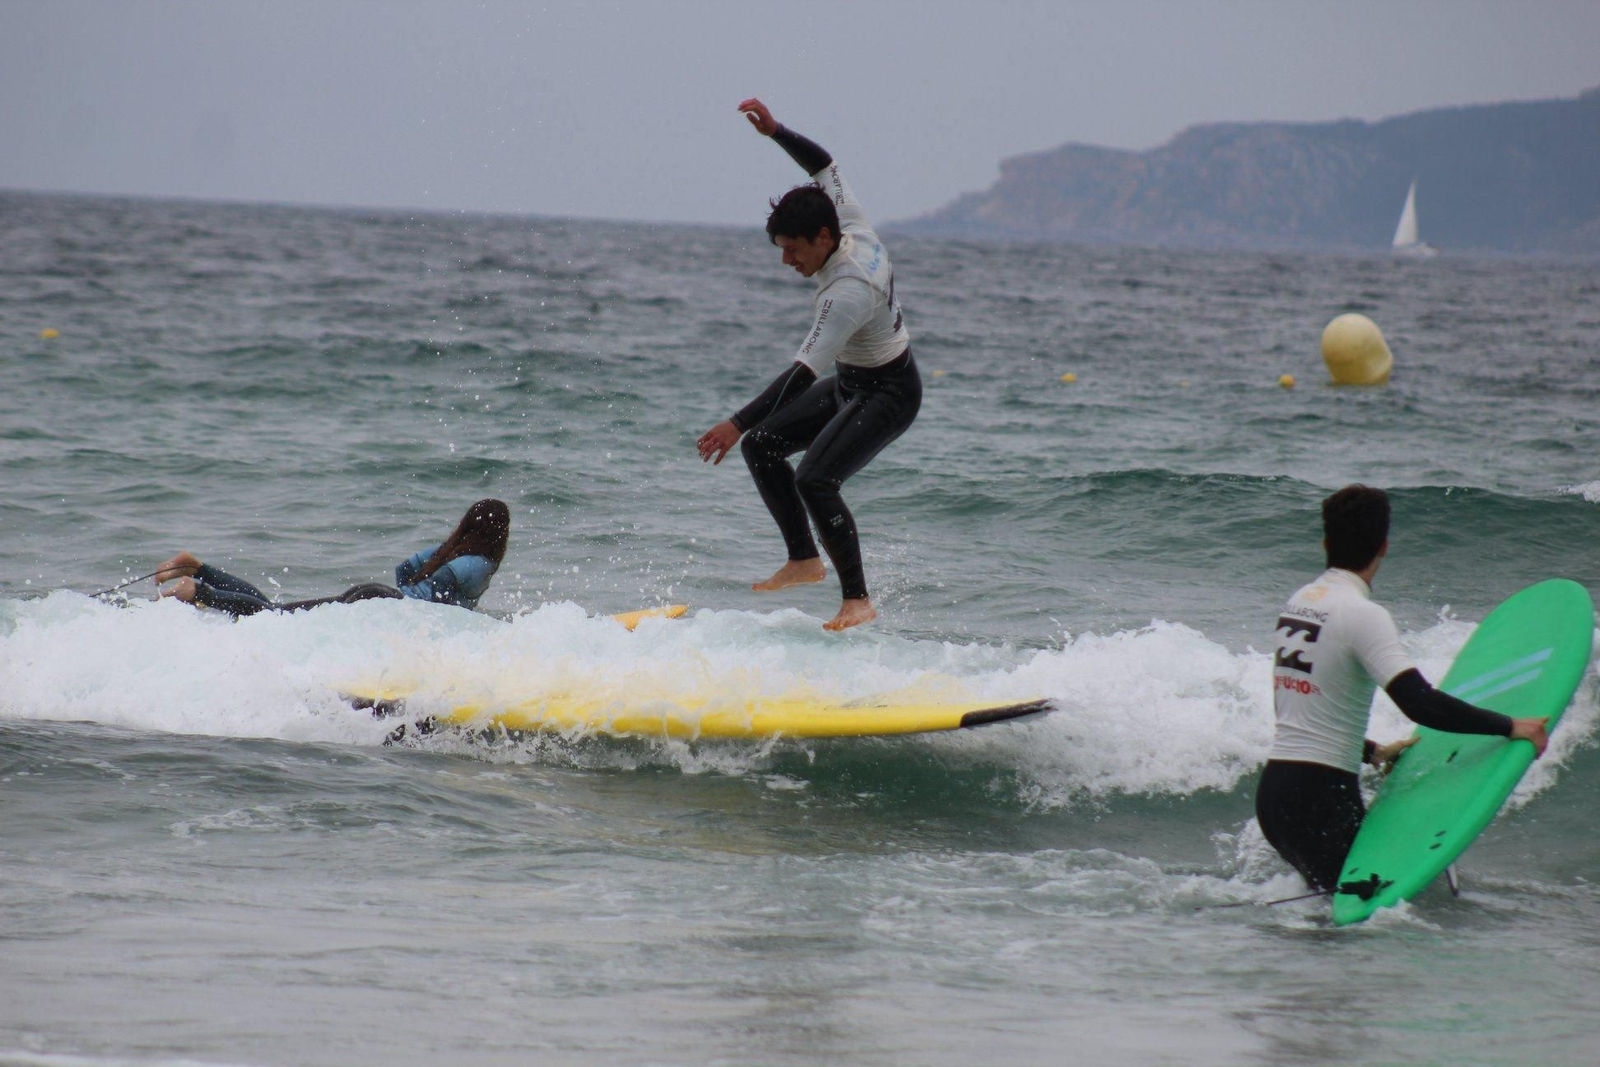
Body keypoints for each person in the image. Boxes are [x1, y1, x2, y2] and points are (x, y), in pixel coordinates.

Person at [696, 97, 920, 633]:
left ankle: (857, 599)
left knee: (816, 478)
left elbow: (800, 375)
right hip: (854, 381)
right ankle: (803, 559)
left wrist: (734, 421)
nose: (786, 260)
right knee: (766, 446)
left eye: (792, 248)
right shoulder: (850, 223)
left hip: (889, 393)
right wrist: (776, 132)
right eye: (779, 248)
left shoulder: (845, 292)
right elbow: (823, 165)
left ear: (823, 239)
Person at [1255, 485, 1549, 891]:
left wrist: (1372, 752)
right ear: (1384, 546)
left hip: (1276, 796)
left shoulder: (1300, 602)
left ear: (1325, 542)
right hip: (1320, 800)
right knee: (1357, 934)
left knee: (1323, 924)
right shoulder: (1362, 614)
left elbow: (1295, 708)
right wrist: (1510, 726)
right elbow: (1419, 703)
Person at [153, 498, 510, 617]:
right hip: (384, 604)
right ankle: (198, 591)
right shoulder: (479, 566)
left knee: (274, 613)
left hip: (380, 594)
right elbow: (433, 599)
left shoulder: (450, 553)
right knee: (273, 616)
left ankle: (199, 570)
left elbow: (405, 570)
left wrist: (408, 593)